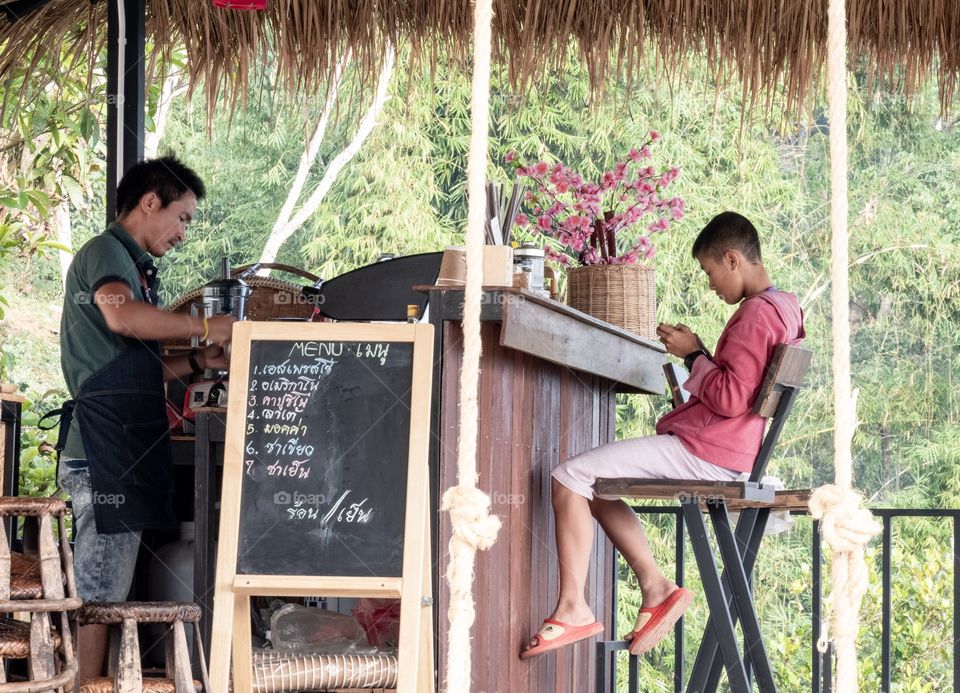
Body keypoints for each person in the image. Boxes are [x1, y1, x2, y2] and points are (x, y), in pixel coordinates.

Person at [520, 211, 805, 659]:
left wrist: (693, 355)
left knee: (567, 477)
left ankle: (575, 607)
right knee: (591, 484)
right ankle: (655, 588)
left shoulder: (754, 315)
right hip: (729, 448)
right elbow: (743, 388)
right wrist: (701, 355)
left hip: (709, 451)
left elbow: (731, 398)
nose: (711, 285)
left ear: (732, 259)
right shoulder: (784, 307)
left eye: (710, 272)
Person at [56, 156, 235, 676]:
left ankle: (98, 684)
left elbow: (136, 369)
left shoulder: (131, 266)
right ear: (150, 201)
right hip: (101, 456)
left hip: (123, 451)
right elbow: (122, 316)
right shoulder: (105, 254)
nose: (182, 233)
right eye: (182, 217)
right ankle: (82, 688)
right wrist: (204, 327)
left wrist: (199, 361)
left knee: (110, 592)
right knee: (98, 596)